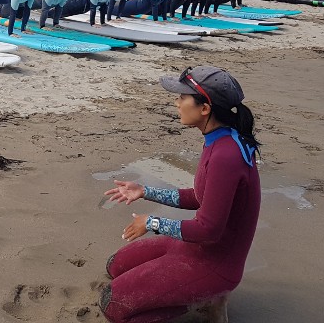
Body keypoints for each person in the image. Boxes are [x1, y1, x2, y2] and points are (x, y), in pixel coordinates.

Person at [100, 65, 261, 323]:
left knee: (114, 305)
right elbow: (201, 197)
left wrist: (151, 223)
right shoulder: (219, 139)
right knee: (114, 266)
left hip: (215, 264)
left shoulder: (226, 155)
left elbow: (208, 229)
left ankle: (208, 298)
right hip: (194, 248)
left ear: (204, 108)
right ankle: (197, 295)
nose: (177, 103)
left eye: (182, 97)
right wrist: (144, 191)